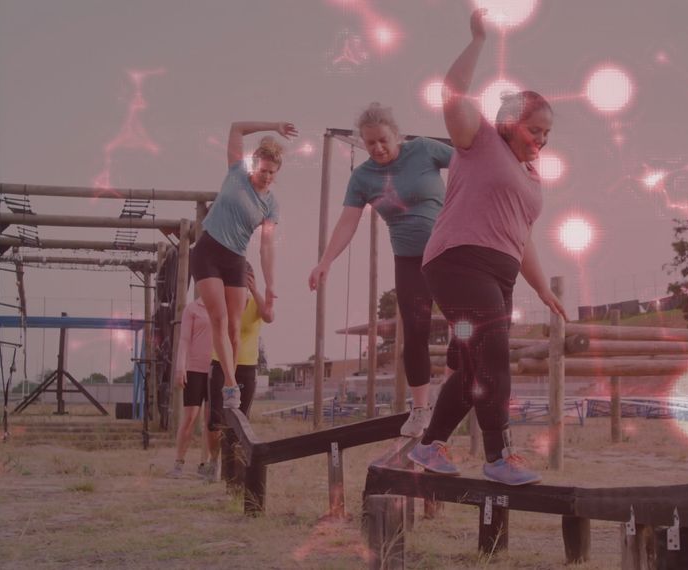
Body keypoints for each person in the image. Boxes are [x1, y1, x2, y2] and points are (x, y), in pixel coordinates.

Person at [407, 8, 567, 486]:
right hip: (457, 259)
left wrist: (542, 289)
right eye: (534, 129)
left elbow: (524, 238)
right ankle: (499, 457)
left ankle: (429, 446)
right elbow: (451, 95)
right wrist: (477, 40)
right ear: (510, 121)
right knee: (493, 354)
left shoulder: (532, 177)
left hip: (498, 273)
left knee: (475, 361)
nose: (541, 139)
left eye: (547, 134)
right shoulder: (477, 141)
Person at [308, 103, 453, 438]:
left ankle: (452, 392)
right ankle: (420, 410)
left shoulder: (424, 150)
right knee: (414, 332)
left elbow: (468, 166)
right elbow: (348, 223)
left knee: (463, 325)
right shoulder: (362, 177)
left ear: (396, 134)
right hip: (409, 260)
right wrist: (326, 260)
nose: (377, 148)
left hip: (448, 254)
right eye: (370, 143)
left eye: (383, 140)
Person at [190, 120, 295, 410]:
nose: (266, 178)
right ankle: (231, 384)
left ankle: (229, 385)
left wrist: (271, 284)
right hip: (208, 250)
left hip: (235, 258)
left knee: (235, 328)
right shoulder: (236, 172)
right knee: (220, 319)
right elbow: (236, 127)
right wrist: (274, 125)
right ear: (254, 166)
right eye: (263, 172)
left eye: (272, 174)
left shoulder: (271, 205)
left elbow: (265, 247)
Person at [203, 262, 274, 479]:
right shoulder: (224, 302)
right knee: (215, 420)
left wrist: (254, 290)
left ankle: (234, 467)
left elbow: (269, 316)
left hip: (246, 366)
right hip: (222, 364)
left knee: (241, 419)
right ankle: (214, 461)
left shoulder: (255, 303)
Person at [166, 297, 212, 479]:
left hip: (215, 371)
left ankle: (205, 464)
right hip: (194, 370)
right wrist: (180, 367)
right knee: (190, 418)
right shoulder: (193, 308)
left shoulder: (222, 305)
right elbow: (184, 339)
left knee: (211, 421)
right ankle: (178, 463)